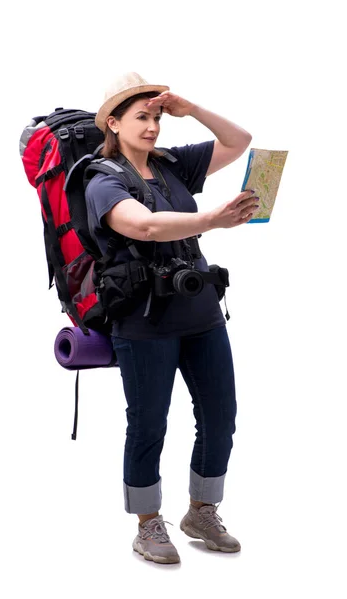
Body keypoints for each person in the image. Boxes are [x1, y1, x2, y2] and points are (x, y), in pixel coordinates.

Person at [85, 72, 259, 564]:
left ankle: (202, 510)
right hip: (144, 321)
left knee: (221, 415)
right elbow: (142, 224)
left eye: (156, 116)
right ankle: (147, 523)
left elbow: (240, 141)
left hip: (201, 312)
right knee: (148, 424)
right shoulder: (101, 179)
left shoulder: (172, 165)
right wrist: (212, 220)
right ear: (113, 123)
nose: (153, 127)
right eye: (141, 117)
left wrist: (190, 107)